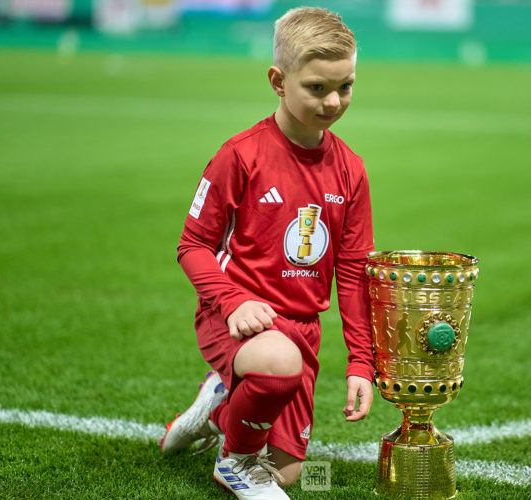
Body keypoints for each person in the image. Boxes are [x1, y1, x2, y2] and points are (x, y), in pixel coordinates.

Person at [160, 7, 375, 499]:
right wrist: (232, 302)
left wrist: (360, 362)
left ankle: (216, 408)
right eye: (317, 88)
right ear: (278, 80)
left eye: (346, 86)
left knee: (288, 474)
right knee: (277, 361)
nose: (334, 101)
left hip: (303, 331)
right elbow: (193, 246)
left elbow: (355, 272)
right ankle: (233, 463)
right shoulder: (241, 155)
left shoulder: (352, 171)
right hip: (234, 316)